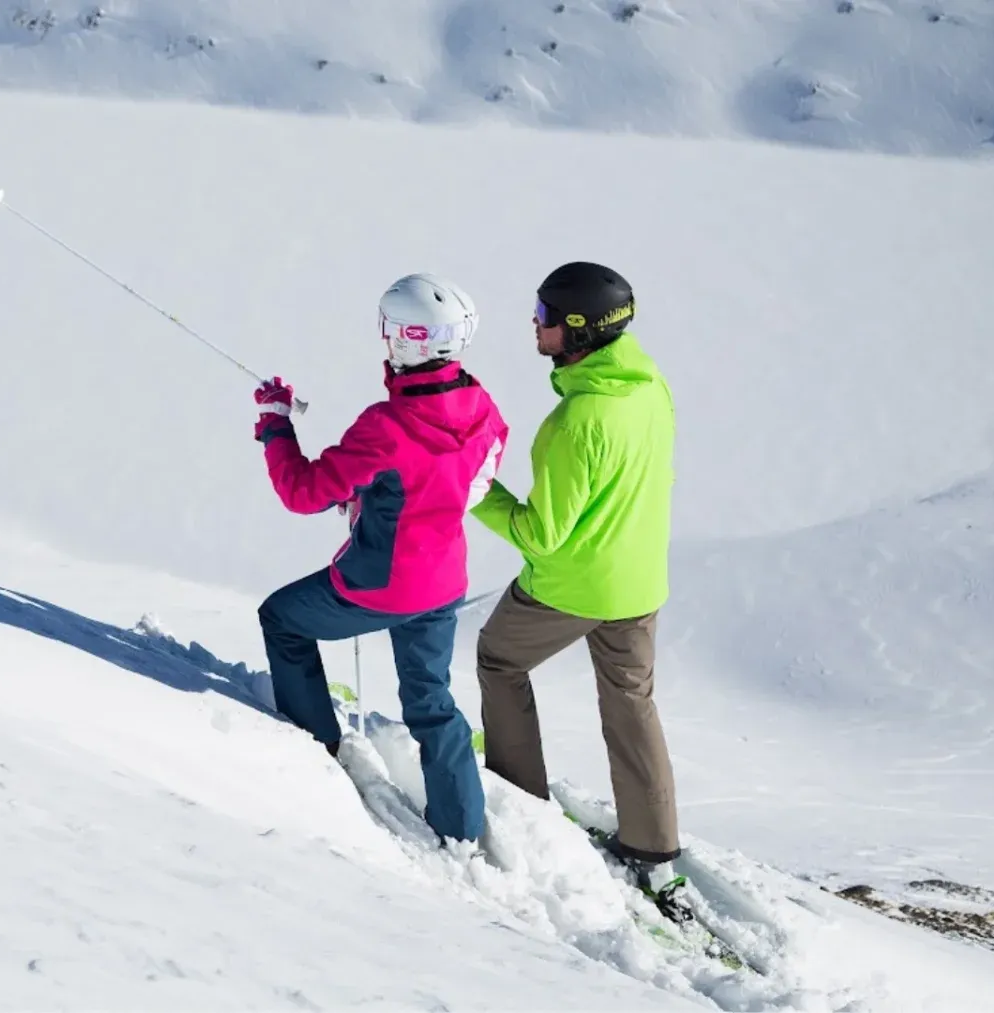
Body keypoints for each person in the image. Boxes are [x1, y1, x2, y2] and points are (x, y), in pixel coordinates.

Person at [252, 274, 509, 844]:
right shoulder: (480, 403)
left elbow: (303, 492)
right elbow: (479, 473)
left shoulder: (386, 425)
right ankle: (461, 827)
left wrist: (275, 425)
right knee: (431, 699)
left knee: (282, 619)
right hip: (444, 581)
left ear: (409, 342)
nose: (385, 341)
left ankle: (313, 748)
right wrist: (384, 495)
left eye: (390, 331)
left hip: (380, 583)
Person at [468, 261, 687, 917]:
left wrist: (477, 487)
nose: (534, 323)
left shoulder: (574, 422)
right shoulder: (649, 389)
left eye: (544, 315)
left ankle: (521, 802)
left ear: (579, 330)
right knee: (631, 702)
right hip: (639, 581)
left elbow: (542, 534)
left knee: (499, 660)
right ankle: (653, 849)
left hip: (571, 587)